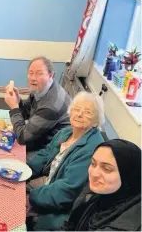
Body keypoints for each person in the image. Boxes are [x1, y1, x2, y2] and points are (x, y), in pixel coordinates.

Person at [26, 91, 105, 230]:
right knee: (9, 184)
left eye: (87, 112)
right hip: (50, 181)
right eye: (76, 109)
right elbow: (45, 154)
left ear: (96, 120)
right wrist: (26, 171)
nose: (79, 114)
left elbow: (66, 191)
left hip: (68, 207)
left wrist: (31, 198)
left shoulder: (92, 148)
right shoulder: (67, 132)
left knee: (20, 206)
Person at [63, 139, 141, 231]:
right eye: (93, 163)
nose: (94, 174)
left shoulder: (127, 224)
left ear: (129, 176)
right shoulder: (95, 192)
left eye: (107, 169)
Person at [4, 56, 71, 158]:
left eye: (39, 73)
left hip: (49, 151)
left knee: (5, 156)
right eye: (31, 73)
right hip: (40, 137)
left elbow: (22, 137)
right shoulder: (43, 88)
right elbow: (27, 112)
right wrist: (18, 101)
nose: (33, 78)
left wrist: (14, 107)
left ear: (51, 75)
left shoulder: (51, 106)